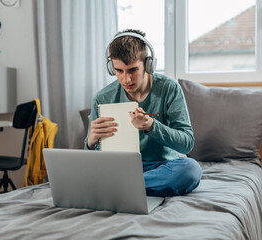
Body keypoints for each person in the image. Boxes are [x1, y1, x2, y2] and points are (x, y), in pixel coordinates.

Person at [84, 29, 202, 197]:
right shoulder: (102, 97)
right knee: (83, 171)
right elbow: (93, 159)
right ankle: (135, 186)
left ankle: (118, 187)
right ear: (112, 68)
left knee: (190, 169)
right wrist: (90, 142)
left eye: (133, 70)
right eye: (119, 71)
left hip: (160, 167)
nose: (126, 79)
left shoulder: (169, 88)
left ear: (148, 65)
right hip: (119, 168)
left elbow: (186, 144)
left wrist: (151, 126)